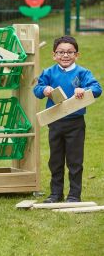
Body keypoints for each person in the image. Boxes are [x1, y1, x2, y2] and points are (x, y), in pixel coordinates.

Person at [33, 36, 102, 203]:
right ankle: (55, 194)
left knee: (75, 161)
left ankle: (74, 195)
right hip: (55, 122)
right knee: (55, 161)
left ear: (76, 55)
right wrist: (45, 90)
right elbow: (37, 89)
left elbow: (97, 88)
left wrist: (84, 90)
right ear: (54, 55)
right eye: (61, 52)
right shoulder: (49, 72)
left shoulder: (83, 73)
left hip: (75, 123)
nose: (65, 55)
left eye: (70, 52)